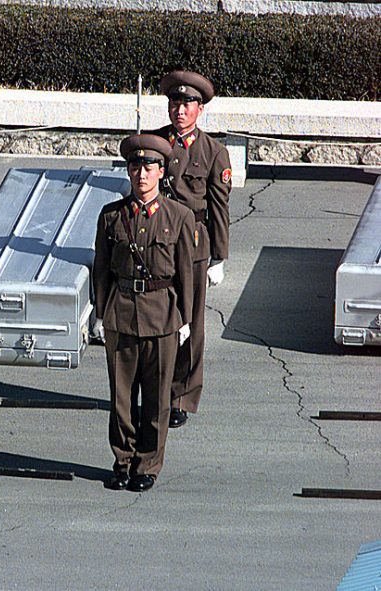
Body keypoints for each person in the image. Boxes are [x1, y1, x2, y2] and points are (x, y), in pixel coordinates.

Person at [92, 134, 195, 492]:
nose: (141, 174)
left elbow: (185, 273)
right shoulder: (111, 216)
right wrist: (100, 312)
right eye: (135, 167)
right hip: (121, 313)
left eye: (148, 167)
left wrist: (185, 319)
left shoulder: (178, 216)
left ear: (161, 171)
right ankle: (122, 460)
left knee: (156, 398)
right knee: (121, 398)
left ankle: (148, 463)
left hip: (162, 316)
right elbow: (101, 269)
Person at [154, 70, 232, 429]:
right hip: (155, 242)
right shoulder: (153, 144)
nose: (179, 110)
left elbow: (218, 207)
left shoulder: (213, 152)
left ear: (200, 109)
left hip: (193, 246)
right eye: (175, 103)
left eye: (187, 104)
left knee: (191, 322)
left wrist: (219, 256)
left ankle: (182, 394)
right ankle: (156, 391)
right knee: (157, 319)